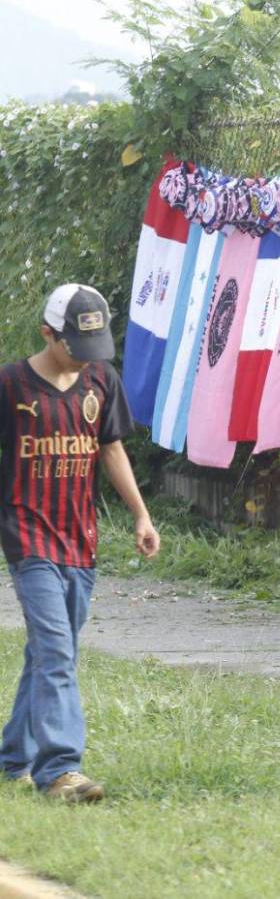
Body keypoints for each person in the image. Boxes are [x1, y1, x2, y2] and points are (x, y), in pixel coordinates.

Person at [0, 284, 160, 802]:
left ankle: (11, 760)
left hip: (80, 537)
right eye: (73, 345)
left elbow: (110, 450)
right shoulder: (10, 385)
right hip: (27, 535)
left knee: (52, 653)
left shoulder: (100, 379)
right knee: (55, 650)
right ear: (48, 333)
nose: (83, 357)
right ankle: (60, 771)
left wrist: (141, 514)